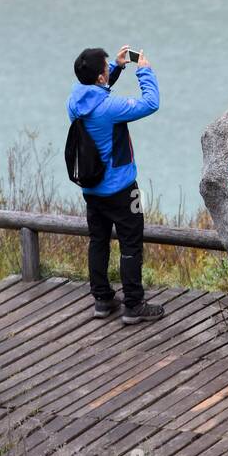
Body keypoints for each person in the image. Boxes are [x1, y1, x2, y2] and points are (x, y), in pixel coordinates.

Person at [67, 45, 165, 323]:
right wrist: (143, 70)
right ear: (100, 77)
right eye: (107, 67)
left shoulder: (74, 101)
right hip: (121, 189)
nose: (110, 69)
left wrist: (118, 68)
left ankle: (102, 300)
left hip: (91, 189)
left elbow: (96, 90)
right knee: (131, 244)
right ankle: (133, 304)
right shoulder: (110, 109)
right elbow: (150, 103)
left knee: (98, 241)